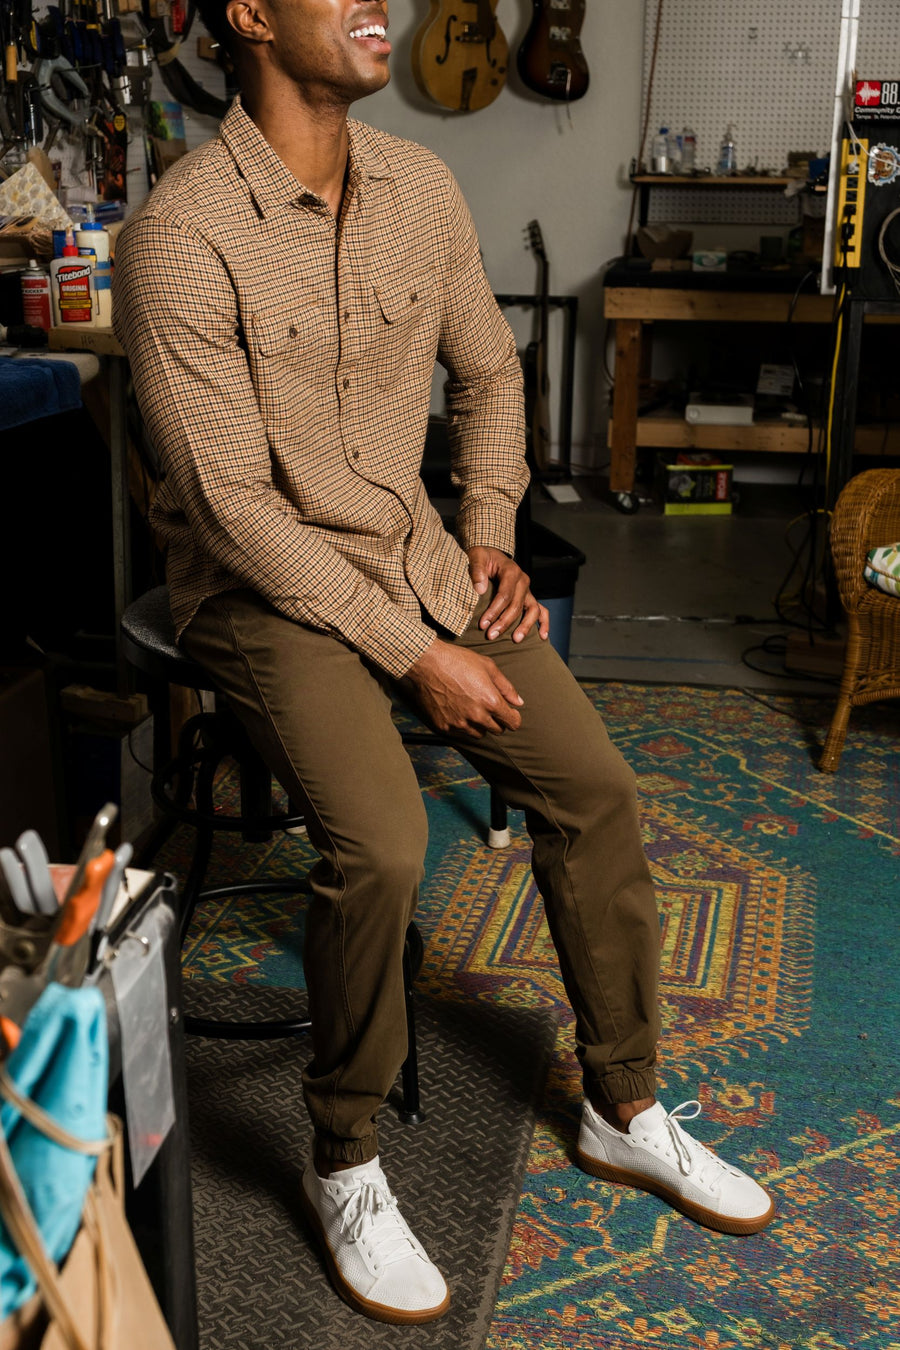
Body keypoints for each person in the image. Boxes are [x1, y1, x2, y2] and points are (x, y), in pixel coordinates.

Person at [113, 0, 775, 1326]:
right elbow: (237, 510)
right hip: (261, 592)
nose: (387, 5)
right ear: (248, 16)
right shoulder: (177, 235)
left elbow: (488, 370)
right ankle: (348, 1155)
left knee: (596, 787)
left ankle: (624, 1102)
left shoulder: (422, 185)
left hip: (415, 556)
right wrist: (419, 657)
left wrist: (484, 533)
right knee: (387, 839)